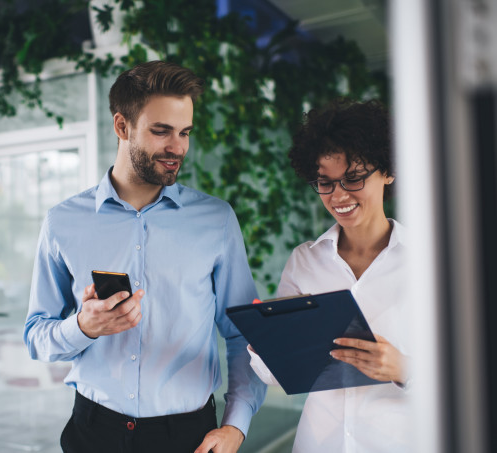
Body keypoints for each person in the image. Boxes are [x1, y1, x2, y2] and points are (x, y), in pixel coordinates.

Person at [24, 60, 267, 453]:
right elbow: (37, 336)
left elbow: (242, 332)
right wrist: (82, 327)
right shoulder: (62, 222)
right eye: (161, 131)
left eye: (185, 132)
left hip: (189, 437)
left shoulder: (216, 220)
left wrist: (235, 426)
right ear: (122, 127)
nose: (178, 147)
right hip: (92, 432)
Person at [248, 98, 411, 452]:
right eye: (325, 182)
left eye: (353, 178)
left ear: (388, 170)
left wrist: (403, 369)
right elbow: (275, 376)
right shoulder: (305, 261)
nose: (339, 195)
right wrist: (268, 346)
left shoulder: (429, 262)